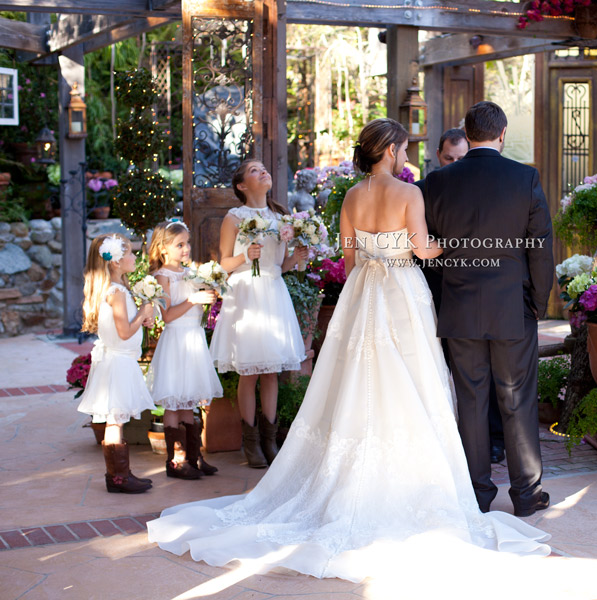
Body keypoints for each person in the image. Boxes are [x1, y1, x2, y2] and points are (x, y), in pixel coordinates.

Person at [147, 118, 551, 581]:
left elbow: (350, 258)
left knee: (358, 380)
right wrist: (460, 245)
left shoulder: (352, 197)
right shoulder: (410, 193)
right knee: (411, 381)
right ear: (391, 151)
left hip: (363, 293)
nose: (405, 155)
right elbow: (422, 249)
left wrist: (377, 257)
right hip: (401, 290)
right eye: (401, 147)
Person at [421, 101, 555, 516]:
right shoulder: (524, 177)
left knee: (471, 401)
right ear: (502, 134)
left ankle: (478, 493)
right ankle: (526, 494)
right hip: (511, 307)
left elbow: (427, 248)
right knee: (517, 400)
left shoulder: (437, 182)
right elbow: (541, 248)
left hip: (459, 306)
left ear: (467, 131)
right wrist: (537, 302)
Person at [208, 159, 309, 469]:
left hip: (273, 292)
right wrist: (244, 255)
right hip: (247, 295)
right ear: (242, 185)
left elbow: (279, 265)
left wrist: (297, 257)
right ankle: (250, 443)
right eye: (254, 170)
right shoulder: (234, 218)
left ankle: (270, 439)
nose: (263, 171)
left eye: (264, 168)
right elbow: (222, 263)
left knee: (271, 371)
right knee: (249, 371)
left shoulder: (279, 218)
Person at [417, 128, 506, 465]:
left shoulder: (480, 186)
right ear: (437, 156)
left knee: (485, 371)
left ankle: (493, 439)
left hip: (475, 295)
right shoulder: (422, 190)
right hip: (432, 292)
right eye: (447, 157)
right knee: (441, 369)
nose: (452, 163)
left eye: (459, 157)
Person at [77, 234, 156, 494]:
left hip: (117, 360)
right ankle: (118, 477)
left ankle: (119, 474)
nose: (135, 257)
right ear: (116, 262)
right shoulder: (117, 292)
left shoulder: (113, 289)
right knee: (116, 420)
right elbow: (124, 332)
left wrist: (142, 318)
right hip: (119, 362)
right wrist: (143, 313)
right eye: (131, 253)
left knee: (115, 420)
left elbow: (124, 328)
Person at [146, 221, 222, 480]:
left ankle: (194, 455)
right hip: (177, 340)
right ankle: (175, 460)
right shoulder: (162, 276)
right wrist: (193, 300)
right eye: (179, 245)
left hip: (194, 339)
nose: (186, 248)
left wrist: (210, 295)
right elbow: (167, 316)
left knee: (189, 399)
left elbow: (199, 305)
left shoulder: (191, 272)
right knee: (174, 401)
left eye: (187, 243)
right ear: (163, 248)